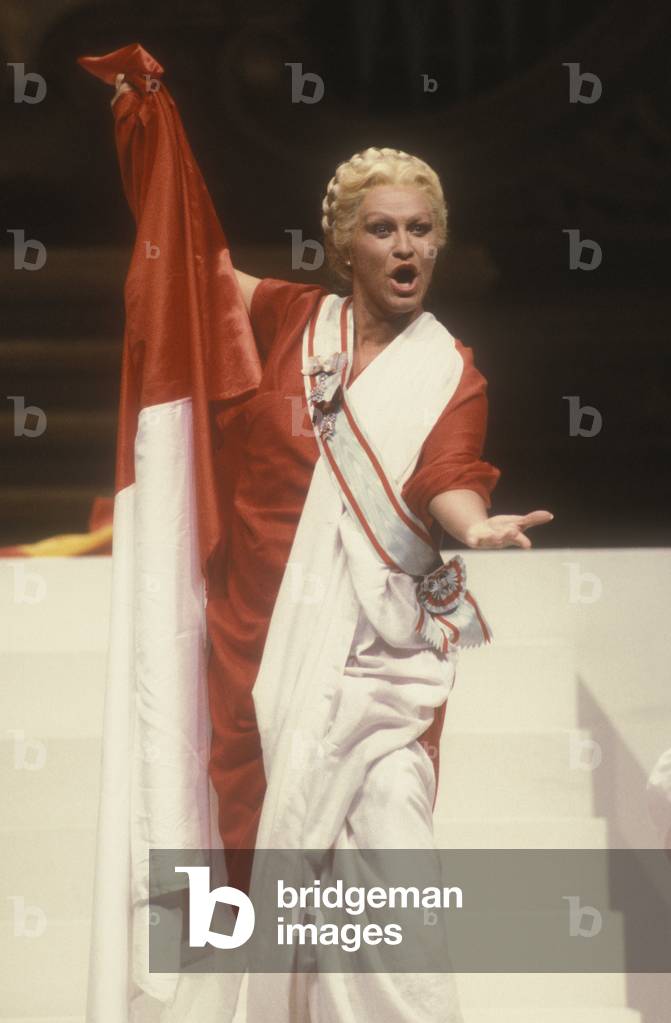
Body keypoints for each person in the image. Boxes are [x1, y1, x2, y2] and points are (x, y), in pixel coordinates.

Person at [108, 69, 554, 1021]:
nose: (406, 246)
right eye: (384, 228)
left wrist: (477, 525)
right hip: (250, 633)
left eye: (421, 228)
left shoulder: (449, 370)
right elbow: (188, 261)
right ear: (340, 244)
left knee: (390, 818)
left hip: (370, 658)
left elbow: (449, 472)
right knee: (251, 844)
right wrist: (155, 144)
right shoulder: (281, 318)